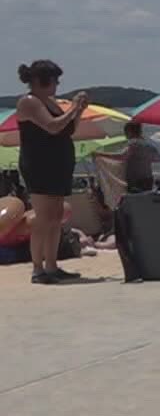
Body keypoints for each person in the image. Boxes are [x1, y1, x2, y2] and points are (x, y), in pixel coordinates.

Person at [13, 60, 86, 283]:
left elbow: (67, 128)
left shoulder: (50, 102)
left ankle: (52, 266)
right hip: (39, 164)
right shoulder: (29, 102)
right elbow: (52, 127)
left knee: (55, 217)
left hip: (58, 163)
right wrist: (72, 107)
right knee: (43, 218)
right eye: (54, 80)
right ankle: (38, 268)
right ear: (40, 80)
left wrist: (77, 112)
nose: (56, 84)